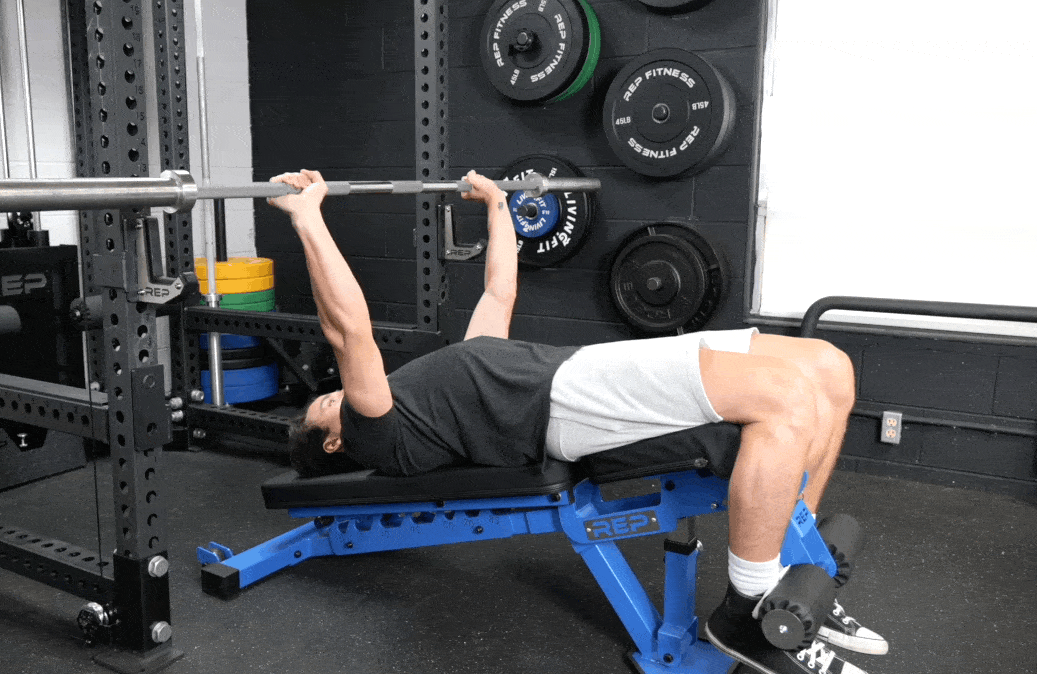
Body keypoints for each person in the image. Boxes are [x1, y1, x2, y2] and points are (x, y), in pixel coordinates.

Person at [268, 169, 886, 674]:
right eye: (319, 406)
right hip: (566, 402)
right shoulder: (382, 433)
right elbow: (347, 330)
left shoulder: (441, 385)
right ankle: (747, 612)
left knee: (827, 368)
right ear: (336, 438)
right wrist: (309, 220)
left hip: (582, 370)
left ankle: (788, 569)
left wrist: (496, 207)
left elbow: (498, 294)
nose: (328, 394)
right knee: (782, 397)